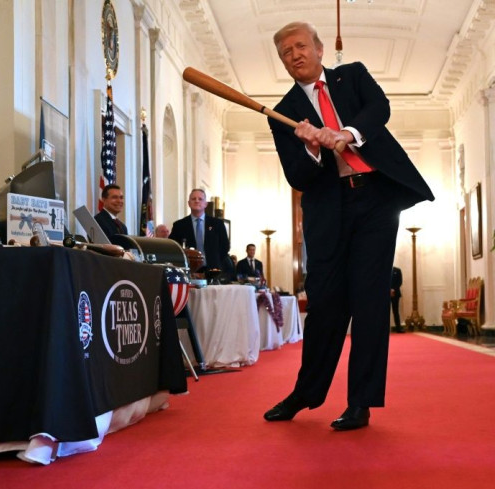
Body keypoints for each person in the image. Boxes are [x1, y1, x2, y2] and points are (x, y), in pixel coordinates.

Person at [263, 22, 434, 431]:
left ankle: (361, 402)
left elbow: (379, 110)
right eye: (286, 52)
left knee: (370, 300)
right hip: (329, 209)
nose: (295, 55)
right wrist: (310, 147)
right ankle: (307, 392)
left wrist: (345, 134)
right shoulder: (284, 111)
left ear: (320, 49)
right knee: (325, 303)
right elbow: (298, 178)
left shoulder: (352, 76)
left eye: (301, 46)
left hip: (375, 199)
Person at [169, 188, 230, 272]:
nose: (197, 201)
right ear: (189, 203)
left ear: (205, 204)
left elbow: (225, 247)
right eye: (193, 199)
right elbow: (174, 248)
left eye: (200, 199)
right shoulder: (179, 225)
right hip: (188, 270)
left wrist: (215, 261)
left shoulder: (217, 224)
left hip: (213, 271)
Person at [391, 266, 403, 333]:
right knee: (385, 313)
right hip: (386, 294)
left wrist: (393, 289)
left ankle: (398, 328)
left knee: (396, 311)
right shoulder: (384, 269)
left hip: (395, 294)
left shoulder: (398, 270)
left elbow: (400, 281)